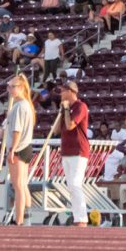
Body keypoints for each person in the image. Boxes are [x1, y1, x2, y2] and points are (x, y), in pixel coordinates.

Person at [0, 74, 39, 225]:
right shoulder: (27, 105)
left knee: (18, 186)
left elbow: (17, 131)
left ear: (21, 88)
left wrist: (12, 150)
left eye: (12, 86)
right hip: (26, 146)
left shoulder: (19, 106)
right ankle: (26, 219)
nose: (9, 89)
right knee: (23, 185)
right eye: (8, 86)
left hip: (19, 147)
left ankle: (20, 220)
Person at [56, 78, 92, 227]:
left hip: (78, 150)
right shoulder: (65, 108)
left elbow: (70, 125)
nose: (61, 94)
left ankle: (82, 218)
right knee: (71, 185)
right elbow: (57, 129)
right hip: (67, 150)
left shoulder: (80, 106)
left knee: (76, 184)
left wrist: (65, 110)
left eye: (63, 91)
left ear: (70, 92)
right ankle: (78, 216)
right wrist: (61, 111)